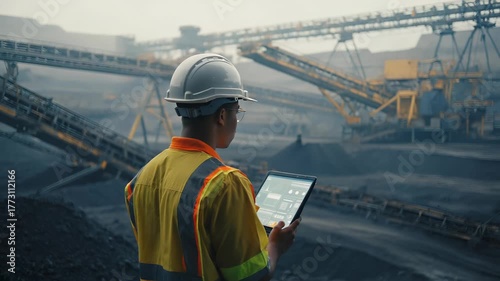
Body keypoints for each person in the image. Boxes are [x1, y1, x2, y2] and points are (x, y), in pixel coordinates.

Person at [124, 53, 299, 281]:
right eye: (237, 112)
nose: (236, 120)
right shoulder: (225, 183)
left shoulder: (141, 179)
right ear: (223, 115)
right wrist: (275, 247)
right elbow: (252, 277)